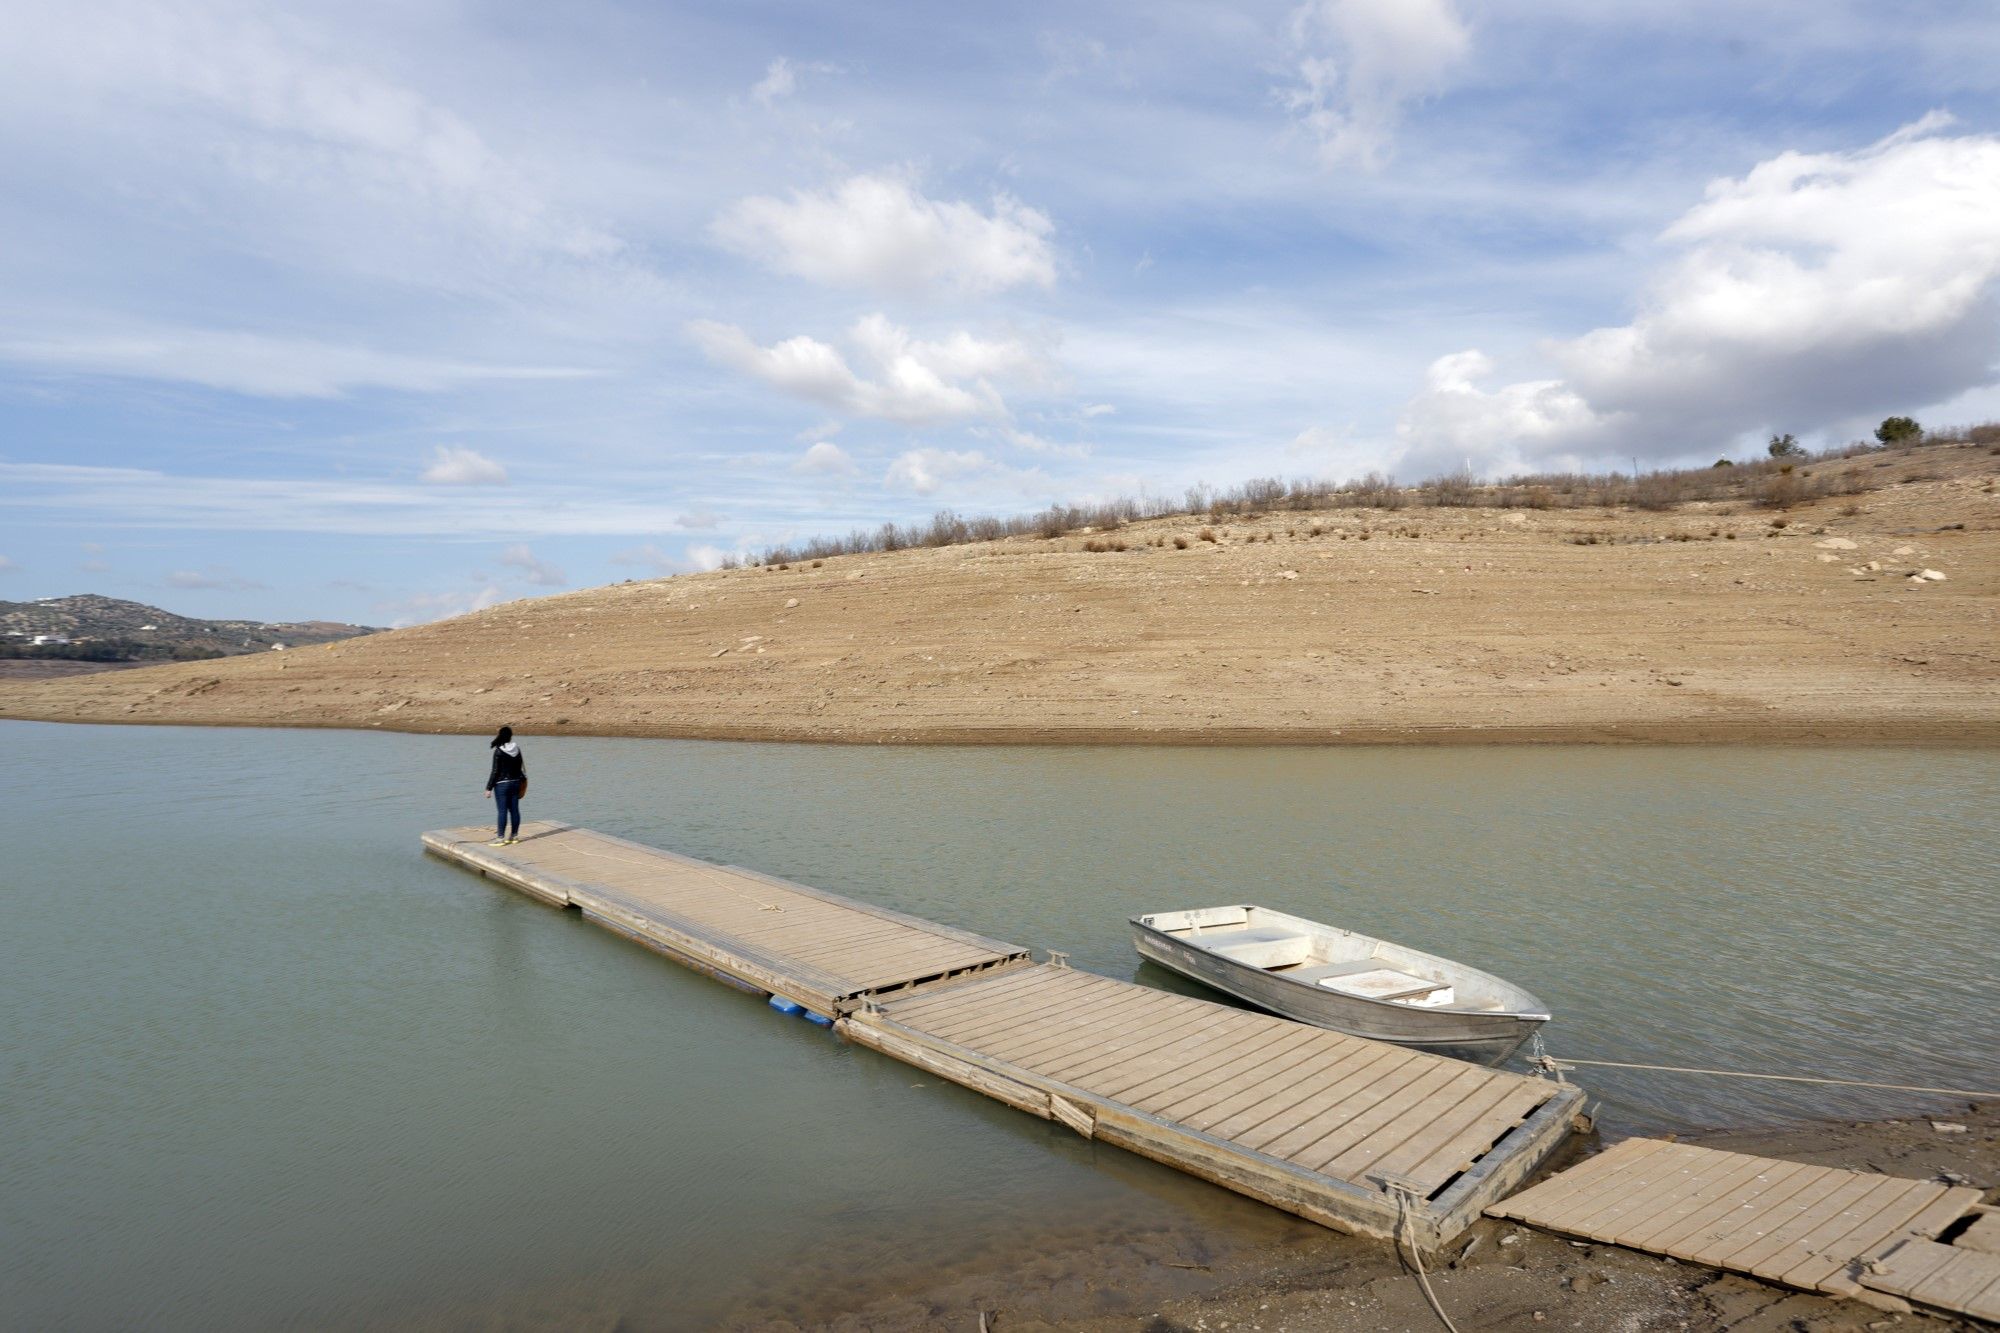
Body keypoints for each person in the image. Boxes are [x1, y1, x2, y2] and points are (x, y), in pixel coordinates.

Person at [484, 726, 527, 845]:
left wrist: (488, 788)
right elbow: (519, 767)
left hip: (502, 785)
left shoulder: (498, 750)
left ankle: (500, 838)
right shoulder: (517, 748)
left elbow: (495, 771)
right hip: (515, 783)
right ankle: (514, 836)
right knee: (514, 810)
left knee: (502, 811)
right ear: (510, 736)